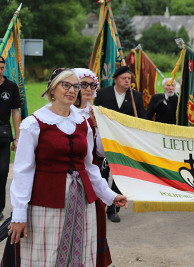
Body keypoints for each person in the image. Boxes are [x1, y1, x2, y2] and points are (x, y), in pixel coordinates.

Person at [7, 68, 128, 266]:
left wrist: (110, 195)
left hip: (81, 201)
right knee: (44, 256)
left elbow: (88, 167)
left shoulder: (83, 123)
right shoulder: (33, 124)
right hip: (45, 202)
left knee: (78, 253)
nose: (72, 90)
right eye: (66, 85)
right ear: (52, 90)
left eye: (76, 86)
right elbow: (23, 172)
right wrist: (19, 214)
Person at [72, 68, 112, 267]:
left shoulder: (96, 112)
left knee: (94, 223)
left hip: (91, 172)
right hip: (71, 174)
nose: (88, 89)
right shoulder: (64, 113)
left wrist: (99, 127)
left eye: (92, 85)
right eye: (83, 84)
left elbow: (102, 153)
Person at [94, 65, 145, 223]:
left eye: (129, 78)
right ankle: (99, 206)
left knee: (118, 176)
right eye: (124, 78)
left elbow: (141, 118)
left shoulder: (135, 96)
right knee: (102, 174)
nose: (127, 81)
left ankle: (112, 209)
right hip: (104, 141)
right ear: (115, 79)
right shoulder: (103, 94)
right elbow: (94, 113)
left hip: (124, 143)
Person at [0, 56, 21, 221]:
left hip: (3, 135)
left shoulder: (11, 87)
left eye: (1, 67)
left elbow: (15, 113)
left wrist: (17, 138)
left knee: (2, 172)